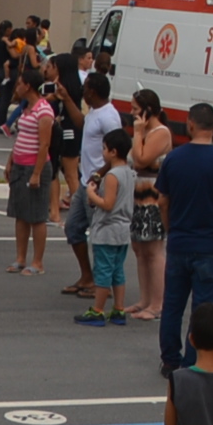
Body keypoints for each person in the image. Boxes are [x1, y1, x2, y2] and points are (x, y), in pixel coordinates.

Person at [157, 104, 213, 373]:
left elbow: (162, 201)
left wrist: (171, 230)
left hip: (180, 242)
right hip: (211, 244)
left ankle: (170, 358)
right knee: (203, 308)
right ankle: (194, 361)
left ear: (190, 124)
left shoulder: (173, 158)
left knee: (172, 304)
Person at [79, 128, 136, 327]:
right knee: (117, 270)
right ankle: (118, 309)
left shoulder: (112, 175)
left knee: (103, 270)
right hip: (123, 229)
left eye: (104, 148)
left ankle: (98, 310)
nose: (102, 152)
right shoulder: (129, 172)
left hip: (107, 230)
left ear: (113, 152)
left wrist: (91, 194)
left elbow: (108, 204)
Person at [128, 84, 171, 323]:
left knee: (154, 250)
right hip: (138, 194)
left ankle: (158, 303)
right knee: (139, 249)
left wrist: (137, 133)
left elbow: (141, 160)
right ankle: (144, 299)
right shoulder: (143, 132)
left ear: (148, 110)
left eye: (135, 109)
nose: (132, 114)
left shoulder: (161, 133)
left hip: (154, 195)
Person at [5, 73, 55, 276]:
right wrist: (10, 160)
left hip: (34, 167)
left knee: (36, 216)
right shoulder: (25, 108)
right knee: (21, 214)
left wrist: (36, 173)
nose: (17, 87)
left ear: (28, 86)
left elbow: (44, 144)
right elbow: (21, 136)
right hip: (19, 165)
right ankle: (20, 258)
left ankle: (37, 262)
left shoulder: (44, 111)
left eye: (19, 83)